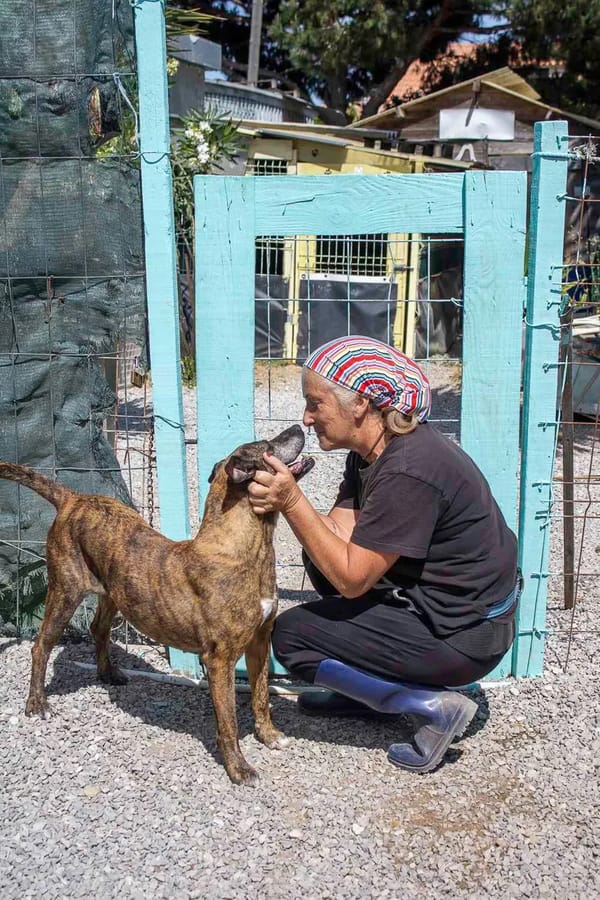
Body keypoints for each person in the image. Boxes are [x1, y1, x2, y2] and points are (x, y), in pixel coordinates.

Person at [248, 335, 521, 772]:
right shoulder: (373, 451)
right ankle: (365, 694)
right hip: (447, 609)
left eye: (315, 403)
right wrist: (292, 499)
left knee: (291, 637)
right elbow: (337, 530)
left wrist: (292, 502)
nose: (306, 416)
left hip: (465, 636)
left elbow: (352, 577)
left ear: (360, 405)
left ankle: (430, 706)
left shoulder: (409, 468)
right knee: (317, 556)